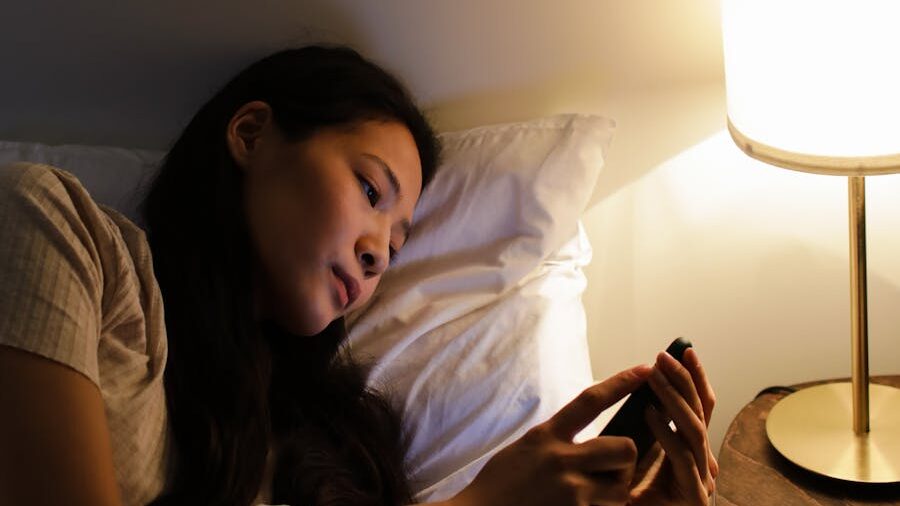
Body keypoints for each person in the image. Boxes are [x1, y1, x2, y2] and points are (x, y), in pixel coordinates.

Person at [0, 45, 717, 506]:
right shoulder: (60, 233)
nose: (378, 254)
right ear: (251, 135)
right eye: (372, 193)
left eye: (398, 246)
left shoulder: (310, 436)